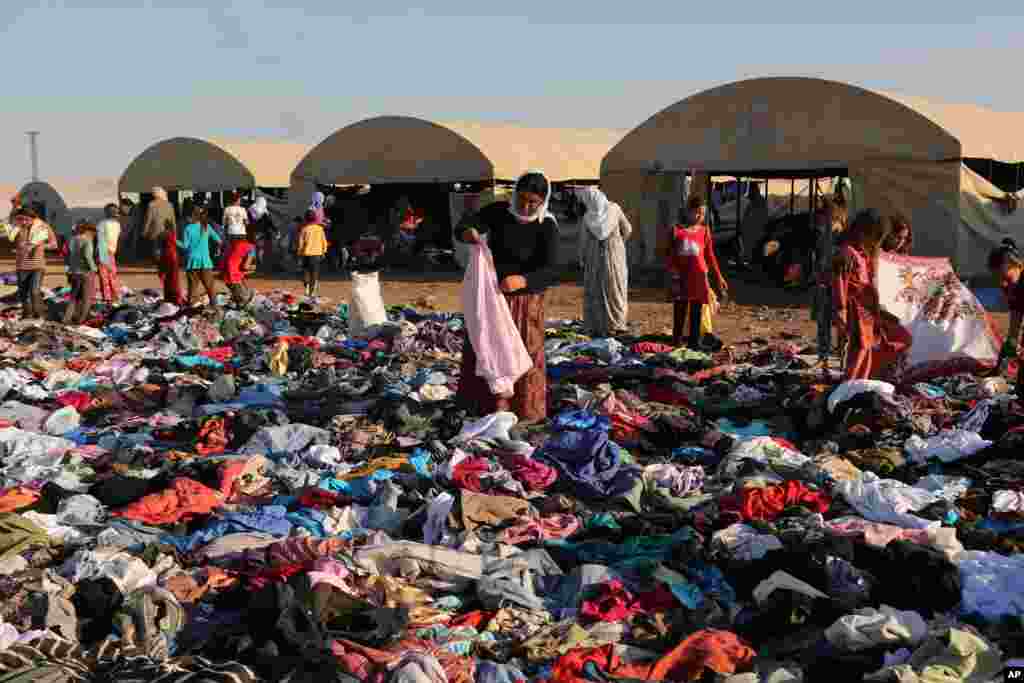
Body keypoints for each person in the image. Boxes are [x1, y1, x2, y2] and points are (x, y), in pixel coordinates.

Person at [456, 171, 559, 424]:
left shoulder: (547, 226)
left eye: (532, 202)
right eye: (521, 199)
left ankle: (524, 411)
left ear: (542, 201)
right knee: (487, 349)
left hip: (525, 303)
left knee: (523, 353)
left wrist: (524, 280)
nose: (525, 206)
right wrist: (468, 232)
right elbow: (465, 225)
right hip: (492, 299)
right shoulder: (499, 212)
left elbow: (552, 270)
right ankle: (484, 406)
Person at [832, 209, 911, 380]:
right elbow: (840, 281)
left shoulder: (864, 254)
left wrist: (880, 311)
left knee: (869, 347)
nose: (876, 241)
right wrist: (841, 310)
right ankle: (850, 385)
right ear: (863, 232)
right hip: (855, 310)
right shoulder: (847, 253)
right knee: (859, 349)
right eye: (875, 236)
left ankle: (860, 383)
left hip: (867, 311)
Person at [665, 197, 729, 348]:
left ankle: (694, 343)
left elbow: (710, 255)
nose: (700, 216)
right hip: (681, 277)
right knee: (679, 309)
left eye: (702, 213)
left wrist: (719, 277)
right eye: (697, 213)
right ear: (687, 211)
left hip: (699, 277)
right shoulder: (676, 230)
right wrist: (672, 272)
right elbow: (668, 254)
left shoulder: (704, 231)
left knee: (696, 310)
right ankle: (676, 341)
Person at [578, 187, 633, 337]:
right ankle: (617, 323)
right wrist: (618, 242)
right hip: (615, 256)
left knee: (597, 289)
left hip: (594, 258)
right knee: (615, 289)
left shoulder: (588, 217)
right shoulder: (614, 209)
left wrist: (583, 257)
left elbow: (583, 242)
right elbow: (627, 229)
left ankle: (597, 325)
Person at [4, 208, 57, 319]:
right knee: (23, 294)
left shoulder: (43, 227)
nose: (23, 222)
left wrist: (38, 245)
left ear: (33, 218)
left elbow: (54, 244)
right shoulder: (16, 229)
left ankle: (40, 314)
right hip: (21, 266)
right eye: (20, 219)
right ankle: (27, 315)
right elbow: (10, 239)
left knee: (34, 291)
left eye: (26, 219)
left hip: (37, 265)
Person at [988, 239, 1024, 385]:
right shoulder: (1013, 288)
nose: (1003, 284)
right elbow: (1013, 332)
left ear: (1017, 265)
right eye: (998, 279)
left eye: (1006, 278)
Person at [178, 207, 222, 308]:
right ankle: (215, 306)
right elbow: (219, 240)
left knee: (192, 287)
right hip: (206, 262)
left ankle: (193, 307)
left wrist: (174, 241)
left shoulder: (188, 228)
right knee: (210, 286)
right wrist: (217, 250)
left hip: (192, 262)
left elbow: (185, 246)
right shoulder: (206, 227)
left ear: (193, 216)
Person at [63, 222, 98, 325]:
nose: (93, 235)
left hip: (74, 271)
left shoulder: (72, 239)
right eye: (93, 233)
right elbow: (87, 256)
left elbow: (68, 256)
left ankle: (66, 318)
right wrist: (94, 268)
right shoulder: (87, 240)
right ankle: (81, 320)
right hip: (85, 272)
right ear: (88, 231)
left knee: (74, 297)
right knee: (87, 297)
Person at [220, 223, 257, 307]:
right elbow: (245, 267)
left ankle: (237, 299)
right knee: (245, 300)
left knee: (238, 296)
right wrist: (252, 269)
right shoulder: (251, 247)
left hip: (225, 274)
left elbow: (225, 259)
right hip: (234, 276)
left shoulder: (231, 245)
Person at [296, 209, 327, 297]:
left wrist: (299, 253)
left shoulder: (304, 229)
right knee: (314, 273)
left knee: (305, 272)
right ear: (315, 218)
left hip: (306, 254)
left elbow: (300, 243)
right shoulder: (320, 229)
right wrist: (324, 251)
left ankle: (306, 289)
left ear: (305, 219)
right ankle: (312, 292)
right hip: (317, 255)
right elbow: (323, 241)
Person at [96, 203, 122, 304]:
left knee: (104, 277)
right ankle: (115, 296)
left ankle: (107, 298)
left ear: (106, 212)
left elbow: (100, 239)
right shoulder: (117, 225)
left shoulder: (102, 224)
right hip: (112, 251)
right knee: (112, 275)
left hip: (103, 251)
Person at [142, 187, 176, 265]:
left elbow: (148, 219)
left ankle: (159, 264)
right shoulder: (170, 205)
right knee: (166, 248)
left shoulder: (151, 204)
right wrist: (174, 232)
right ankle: (165, 263)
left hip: (155, 231)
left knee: (157, 248)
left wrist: (144, 231)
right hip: (168, 231)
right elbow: (173, 220)